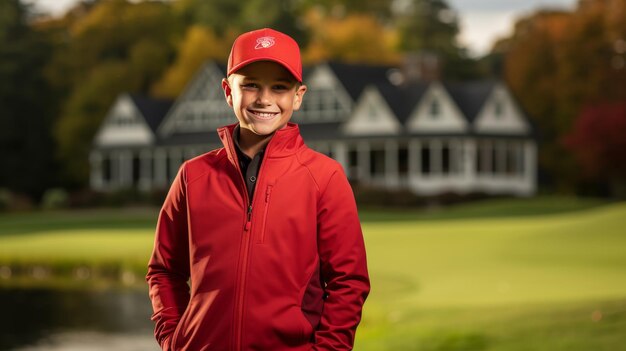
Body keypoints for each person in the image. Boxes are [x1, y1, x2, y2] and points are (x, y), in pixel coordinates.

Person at [146, 28, 370, 351]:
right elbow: (165, 270)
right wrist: (173, 340)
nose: (264, 99)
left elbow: (348, 283)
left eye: (279, 87)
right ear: (227, 91)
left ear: (298, 95)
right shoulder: (192, 177)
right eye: (250, 84)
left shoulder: (325, 177)